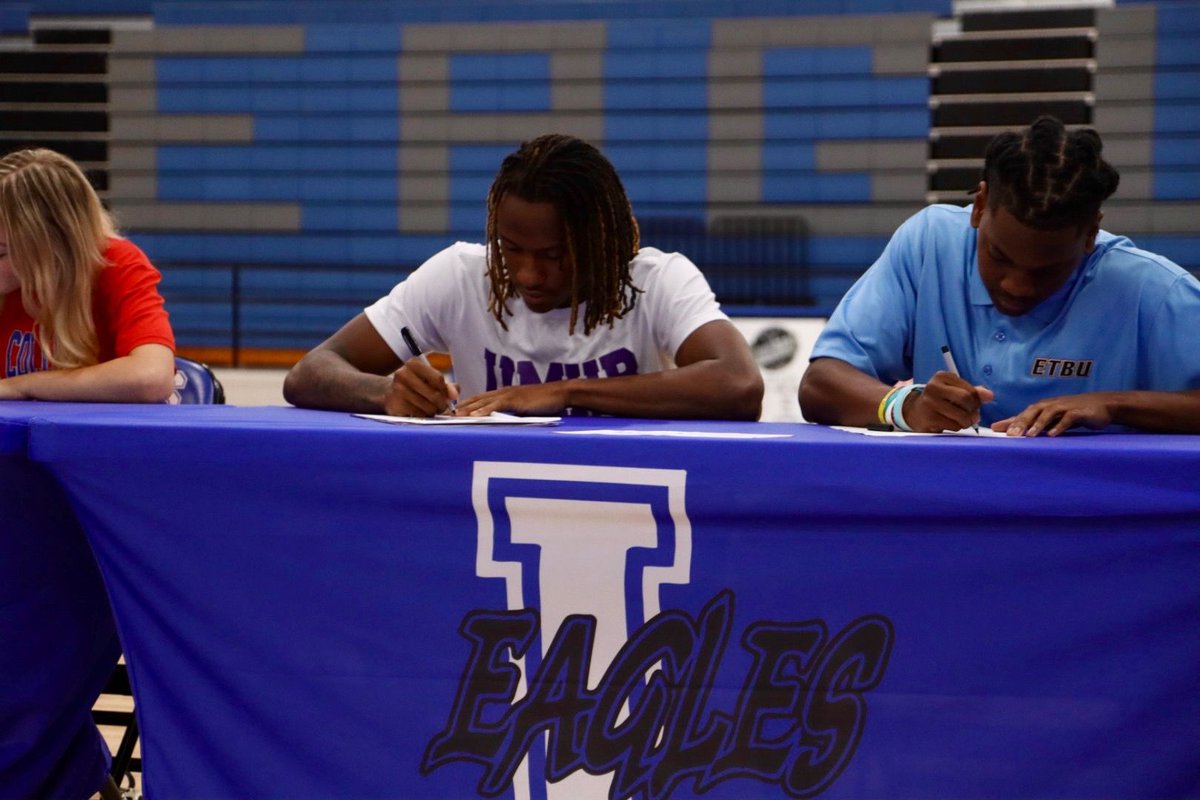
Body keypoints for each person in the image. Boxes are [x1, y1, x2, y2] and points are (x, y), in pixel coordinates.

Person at [284, 134, 763, 420]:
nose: (529, 274)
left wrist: (565, 391)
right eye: (511, 249)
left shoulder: (655, 281)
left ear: (603, 242)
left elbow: (740, 385)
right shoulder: (460, 275)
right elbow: (310, 373)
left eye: (555, 255)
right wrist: (384, 392)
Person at [799, 115, 1200, 436]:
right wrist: (905, 406)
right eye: (998, 256)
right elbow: (821, 384)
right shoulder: (929, 244)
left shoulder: (1152, 288)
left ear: (1091, 232)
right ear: (979, 205)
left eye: (1047, 271)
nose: (1016, 286)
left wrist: (1114, 404)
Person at [0, 148, 176, 403]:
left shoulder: (115, 263)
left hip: (101, 428)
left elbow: (152, 377)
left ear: (54, 244)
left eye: (1, 252)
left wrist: (23, 386)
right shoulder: (9, 285)